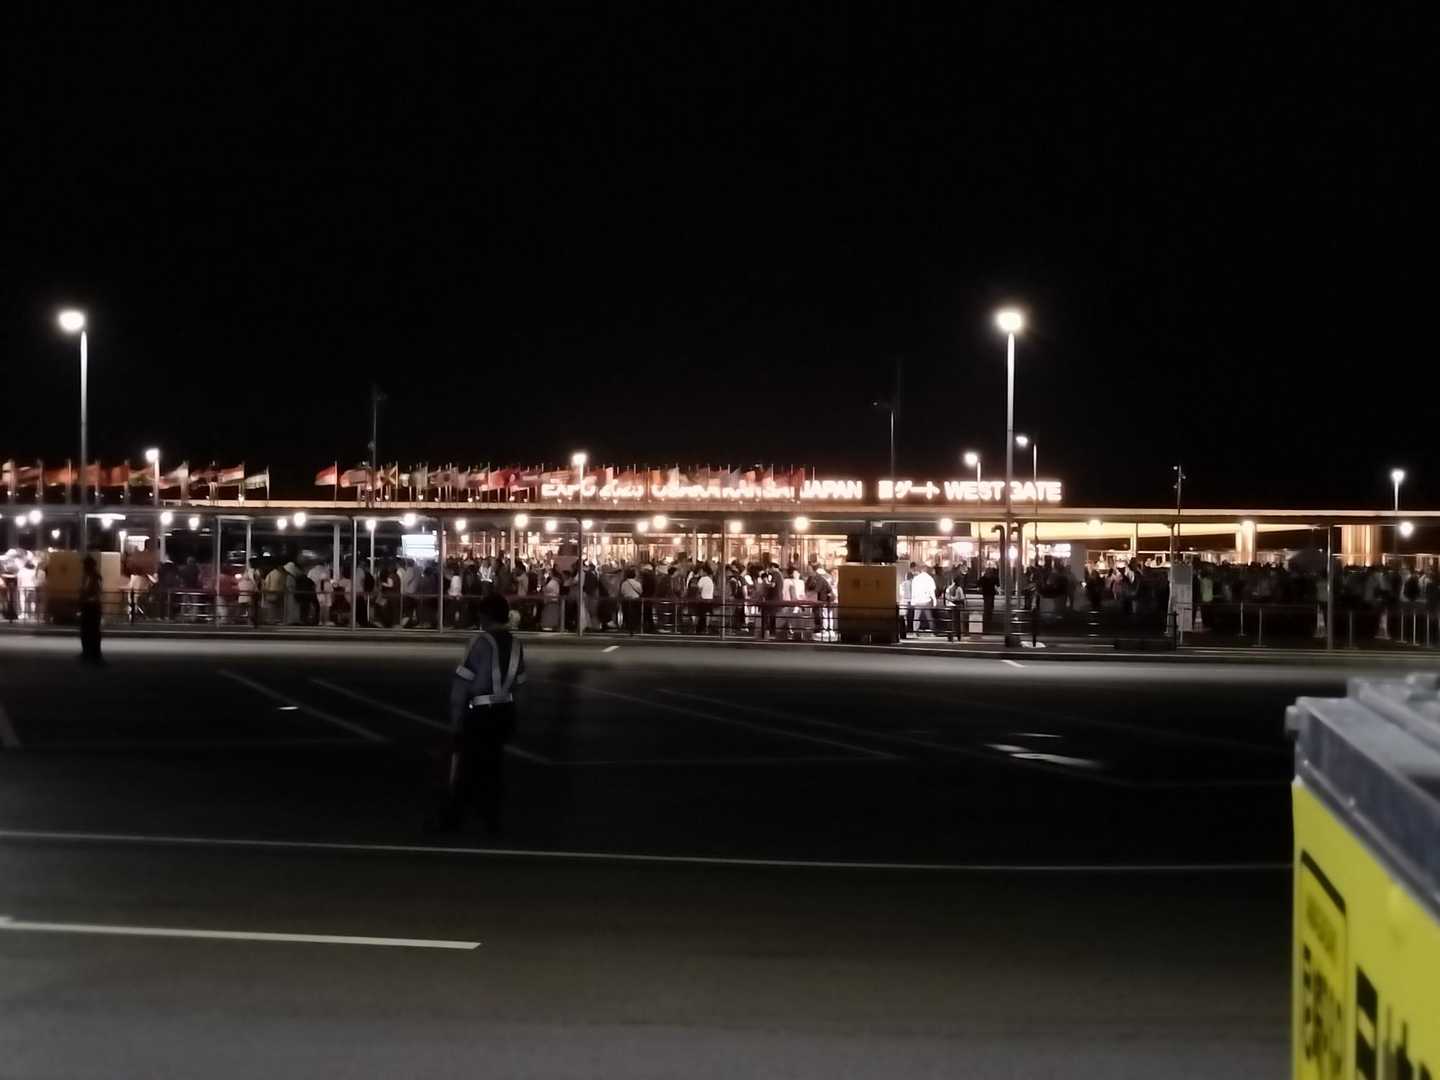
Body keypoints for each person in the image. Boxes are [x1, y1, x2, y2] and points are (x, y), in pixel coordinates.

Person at [434, 593, 526, 833]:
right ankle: (491, 818)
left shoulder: (481, 642)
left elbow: (463, 682)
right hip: (505, 710)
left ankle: (452, 819)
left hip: (481, 712)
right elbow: (520, 683)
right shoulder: (516, 644)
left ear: (486, 615)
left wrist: (456, 719)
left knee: (466, 766)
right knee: (494, 766)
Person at [78, 555, 104, 663]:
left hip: (92, 606)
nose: (83, 567)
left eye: (85, 565)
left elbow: (96, 592)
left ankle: (94, 653)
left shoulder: (95, 577)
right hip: (88, 605)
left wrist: (85, 597)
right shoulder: (87, 576)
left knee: (92, 631)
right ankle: (87, 652)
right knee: (86, 631)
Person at [910, 563, 937, 633]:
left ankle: (915, 630)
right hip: (926, 600)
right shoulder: (929, 578)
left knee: (916, 617)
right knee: (929, 617)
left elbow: (913, 591)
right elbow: (932, 590)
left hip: (918, 600)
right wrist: (934, 600)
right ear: (926, 570)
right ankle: (932, 630)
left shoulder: (916, 579)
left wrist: (913, 601)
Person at [620, 567, 643, 635]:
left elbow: (622, 592)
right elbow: (641, 591)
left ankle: (627, 627)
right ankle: (635, 627)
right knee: (635, 615)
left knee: (627, 614)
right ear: (634, 575)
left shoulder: (624, 583)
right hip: (635, 600)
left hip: (626, 600)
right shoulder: (637, 583)